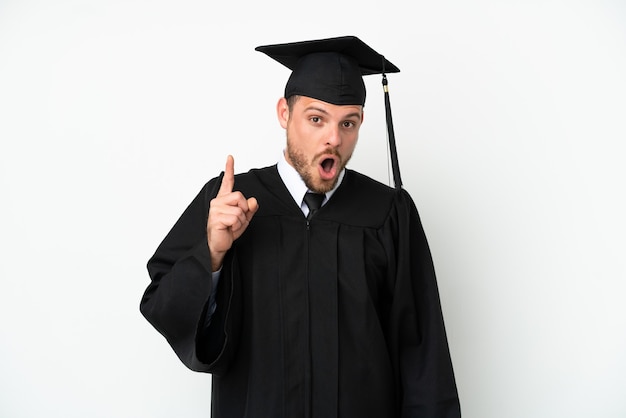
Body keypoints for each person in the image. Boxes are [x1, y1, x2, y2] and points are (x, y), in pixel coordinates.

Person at [140, 35, 461, 418]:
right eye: (316, 118)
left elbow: (423, 354)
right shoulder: (228, 201)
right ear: (284, 114)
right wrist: (210, 255)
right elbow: (163, 306)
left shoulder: (388, 213)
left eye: (349, 123)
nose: (333, 138)